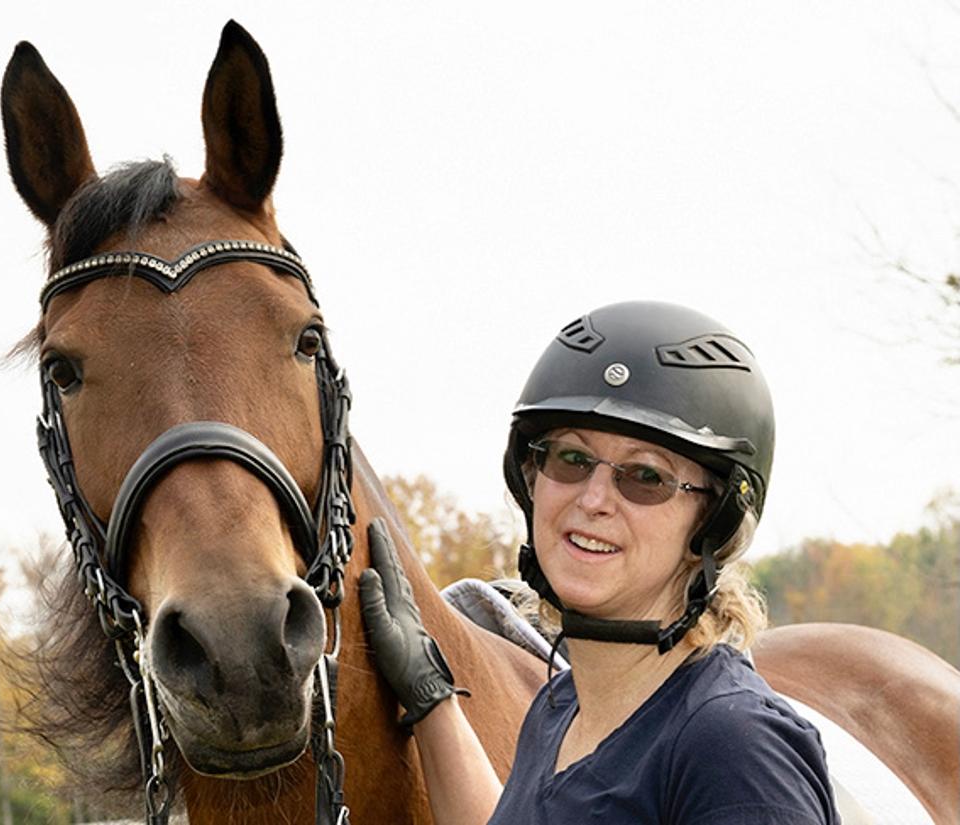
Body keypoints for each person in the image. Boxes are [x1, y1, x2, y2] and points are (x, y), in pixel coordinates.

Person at [359, 301, 840, 824]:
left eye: (645, 477)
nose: (593, 499)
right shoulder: (559, 712)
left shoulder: (733, 748)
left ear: (713, 522)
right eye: (572, 459)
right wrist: (431, 697)